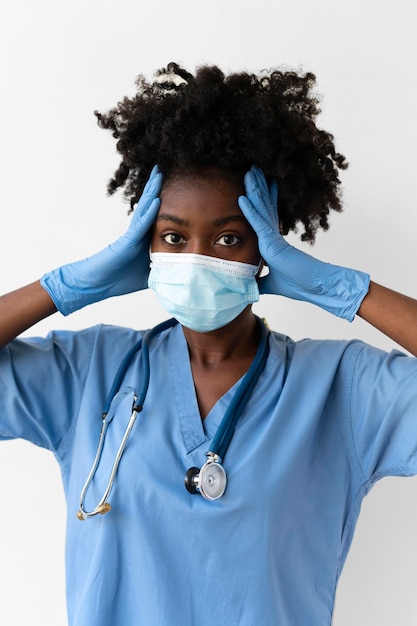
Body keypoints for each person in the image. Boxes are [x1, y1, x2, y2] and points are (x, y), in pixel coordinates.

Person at [1, 62, 417, 626]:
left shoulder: (341, 391)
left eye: (228, 238)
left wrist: (342, 290)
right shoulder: (86, 373)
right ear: (144, 247)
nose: (198, 256)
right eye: (174, 237)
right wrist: (65, 288)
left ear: (266, 247)